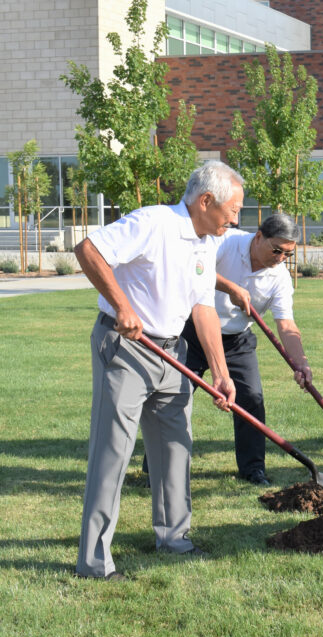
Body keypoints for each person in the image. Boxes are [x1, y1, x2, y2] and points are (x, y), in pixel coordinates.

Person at [73, 160, 243, 580]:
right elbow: (88, 250)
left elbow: (202, 308)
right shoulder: (153, 222)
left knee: (175, 449)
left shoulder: (207, 241)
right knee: (112, 453)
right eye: (233, 210)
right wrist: (123, 306)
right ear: (206, 201)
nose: (236, 220)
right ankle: (94, 561)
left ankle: (174, 538)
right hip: (127, 349)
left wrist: (220, 372)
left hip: (173, 356)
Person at [144, 213, 311, 486]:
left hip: (237, 340)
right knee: (174, 396)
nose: (281, 258)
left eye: (288, 254)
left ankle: (253, 469)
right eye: (277, 250)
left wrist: (300, 362)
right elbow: (195, 268)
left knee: (252, 398)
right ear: (259, 237)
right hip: (193, 332)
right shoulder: (226, 242)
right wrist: (230, 287)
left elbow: (286, 323)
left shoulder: (279, 278)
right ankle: (156, 466)